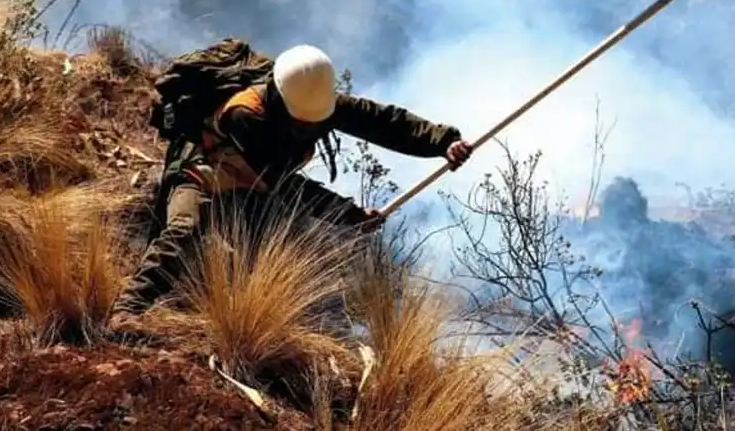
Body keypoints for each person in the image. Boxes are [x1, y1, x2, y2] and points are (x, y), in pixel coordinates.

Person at [108, 44, 473, 325]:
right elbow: (284, 185)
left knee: (253, 262)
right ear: (279, 99)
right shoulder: (244, 115)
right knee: (183, 231)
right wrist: (348, 215)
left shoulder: (316, 102)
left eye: (315, 123)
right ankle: (127, 310)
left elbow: (383, 122)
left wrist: (442, 142)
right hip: (204, 168)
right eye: (301, 124)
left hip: (251, 182)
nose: (308, 130)